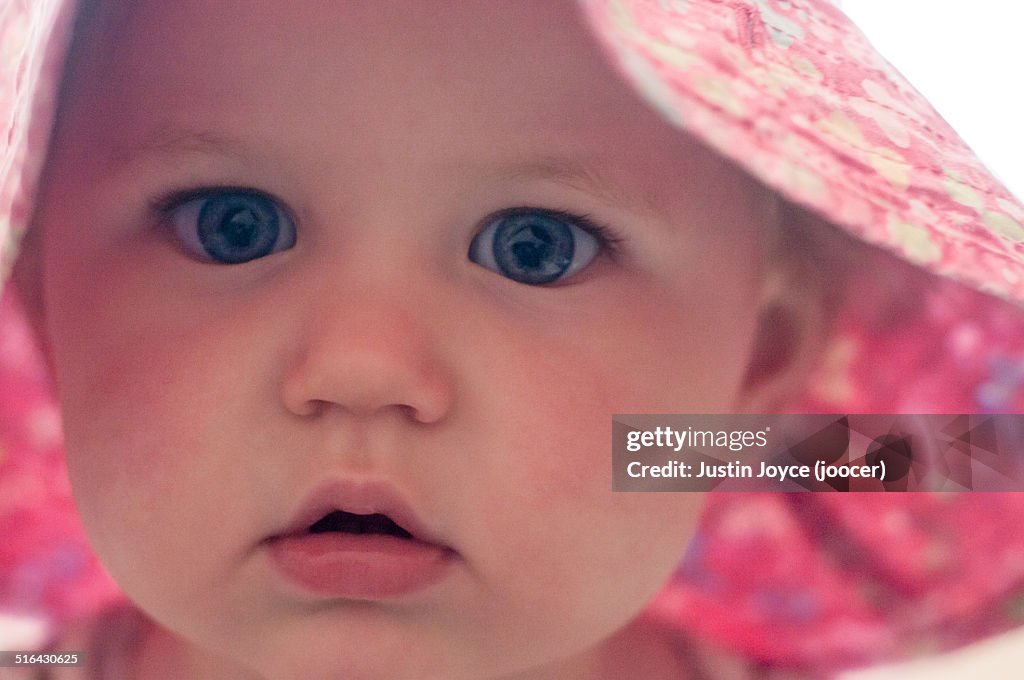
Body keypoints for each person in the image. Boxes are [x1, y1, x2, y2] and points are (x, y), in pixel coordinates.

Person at [1, 1, 1024, 678]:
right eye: (233, 224)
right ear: (42, 297)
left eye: (536, 247)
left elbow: (976, 453)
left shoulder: (672, 442)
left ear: (754, 359)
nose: (364, 369)